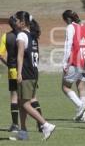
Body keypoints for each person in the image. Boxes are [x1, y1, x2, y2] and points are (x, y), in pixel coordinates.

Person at [12, 11, 55, 141]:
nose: (15, 22)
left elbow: (20, 55)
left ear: (22, 22)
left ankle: (46, 125)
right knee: (21, 102)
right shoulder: (32, 36)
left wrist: (19, 73)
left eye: (16, 20)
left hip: (25, 73)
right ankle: (23, 132)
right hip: (33, 73)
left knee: (25, 104)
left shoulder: (21, 35)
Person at [0, 16, 44, 133]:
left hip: (15, 71)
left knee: (15, 98)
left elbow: (1, 54)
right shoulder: (29, 36)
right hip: (30, 70)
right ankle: (40, 124)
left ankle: (15, 125)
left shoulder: (6, 36)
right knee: (33, 98)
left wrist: (8, 64)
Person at [61, 10, 85, 122]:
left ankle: (80, 105)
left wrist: (65, 62)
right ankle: (83, 116)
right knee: (81, 87)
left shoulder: (71, 27)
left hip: (75, 62)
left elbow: (68, 45)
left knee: (65, 87)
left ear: (67, 19)